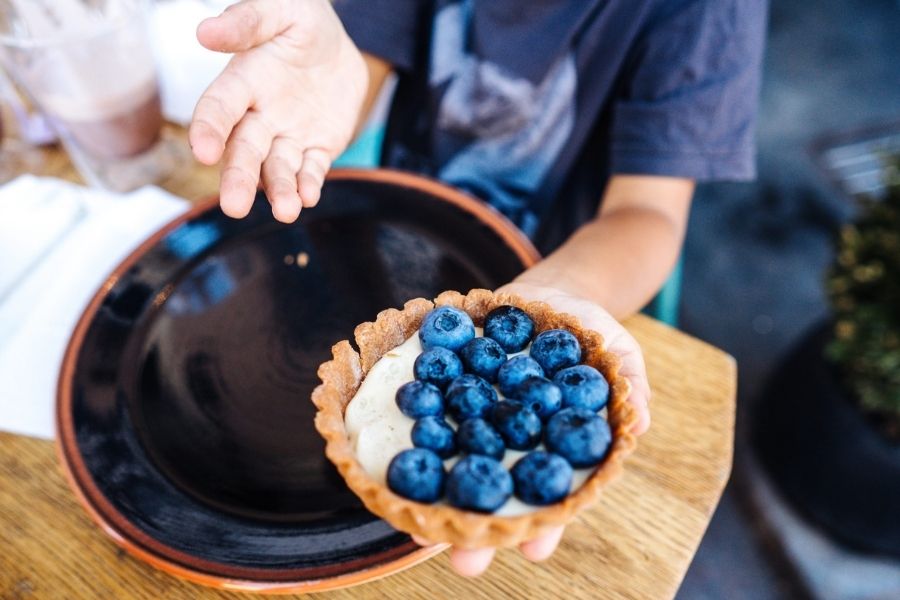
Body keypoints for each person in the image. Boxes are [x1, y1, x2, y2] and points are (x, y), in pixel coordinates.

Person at [188, 0, 767, 577]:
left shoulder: (709, 12)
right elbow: (366, 58)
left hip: (579, 263)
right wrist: (333, 75)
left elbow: (648, 214)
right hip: (407, 249)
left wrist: (554, 296)